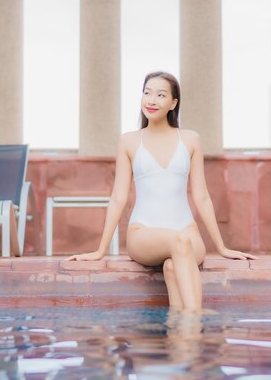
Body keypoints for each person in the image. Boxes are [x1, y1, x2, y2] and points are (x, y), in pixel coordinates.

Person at [67, 71, 256, 310]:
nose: (151, 100)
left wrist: (222, 247)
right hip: (142, 233)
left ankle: (183, 336)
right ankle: (196, 321)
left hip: (187, 231)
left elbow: (202, 197)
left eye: (160, 94)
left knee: (172, 264)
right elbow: (118, 198)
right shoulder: (129, 141)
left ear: (173, 103)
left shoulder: (190, 139)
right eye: (147, 93)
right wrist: (100, 250)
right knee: (179, 243)